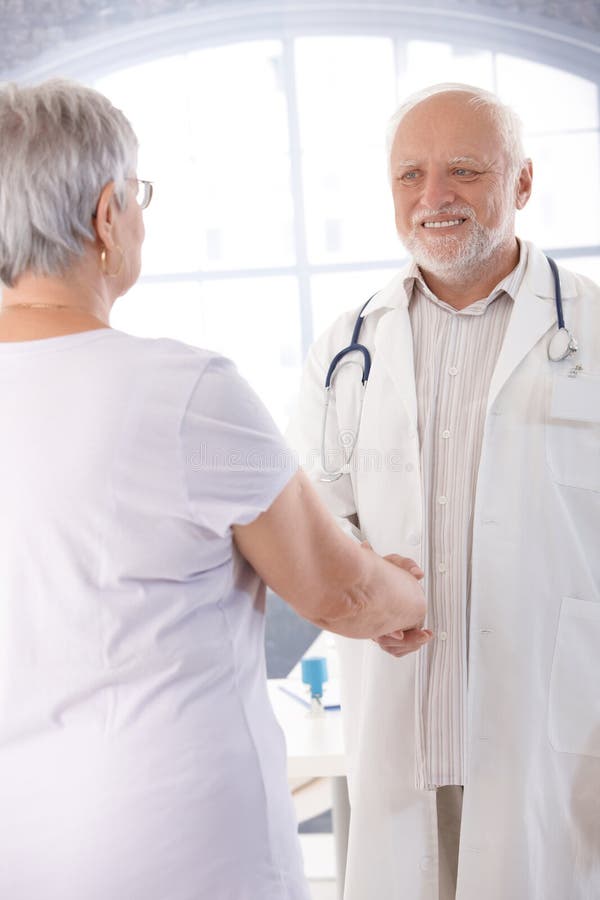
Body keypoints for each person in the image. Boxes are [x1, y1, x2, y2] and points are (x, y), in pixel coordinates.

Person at [0, 79, 431, 900]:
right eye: (138, 196)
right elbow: (339, 593)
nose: (140, 218)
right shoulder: (183, 390)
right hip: (176, 847)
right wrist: (411, 597)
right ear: (105, 215)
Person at [287, 82, 600, 900]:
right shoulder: (344, 348)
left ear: (522, 183)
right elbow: (316, 514)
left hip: (549, 730)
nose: (434, 198)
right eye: (410, 175)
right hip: (405, 727)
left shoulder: (592, 336)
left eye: (464, 170)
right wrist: (361, 587)